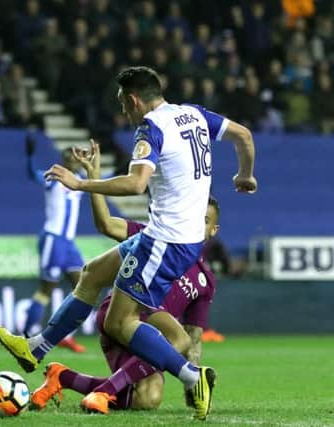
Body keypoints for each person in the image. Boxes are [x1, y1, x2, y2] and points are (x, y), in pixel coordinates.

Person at [0, 66, 257, 420]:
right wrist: (245, 174)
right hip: (172, 235)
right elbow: (243, 134)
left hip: (166, 240)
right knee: (92, 273)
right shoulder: (192, 115)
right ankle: (35, 349)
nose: (123, 111)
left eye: (123, 103)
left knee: (119, 324)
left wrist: (81, 184)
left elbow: (136, 184)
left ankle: (192, 377)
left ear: (134, 100)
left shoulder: (151, 127)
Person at [30, 142, 220, 414]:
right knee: (177, 341)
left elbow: (195, 339)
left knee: (147, 400)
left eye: (204, 220)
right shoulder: (154, 238)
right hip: (122, 313)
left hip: (151, 338)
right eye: (194, 215)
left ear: (214, 229)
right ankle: (104, 392)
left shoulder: (205, 281)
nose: (195, 223)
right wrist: (93, 177)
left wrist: (193, 390)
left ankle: (64, 378)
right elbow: (106, 224)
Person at [20, 133, 86, 353]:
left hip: (69, 244)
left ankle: (66, 334)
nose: (71, 161)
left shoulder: (80, 183)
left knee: (83, 286)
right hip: (53, 239)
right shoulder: (54, 179)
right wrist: (30, 155)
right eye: (67, 157)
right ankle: (27, 334)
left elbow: (104, 179)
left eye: (74, 157)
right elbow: (33, 174)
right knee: (46, 289)